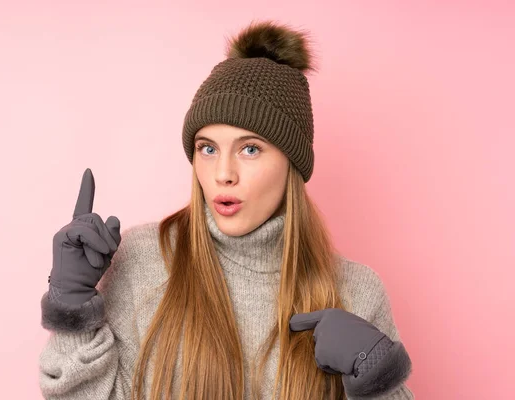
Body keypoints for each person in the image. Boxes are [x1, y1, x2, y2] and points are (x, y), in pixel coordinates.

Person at [38, 20, 413, 400]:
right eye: (208, 148)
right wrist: (73, 311)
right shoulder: (143, 261)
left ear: (291, 164)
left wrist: (376, 381)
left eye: (250, 149)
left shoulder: (357, 292)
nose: (223, 174)